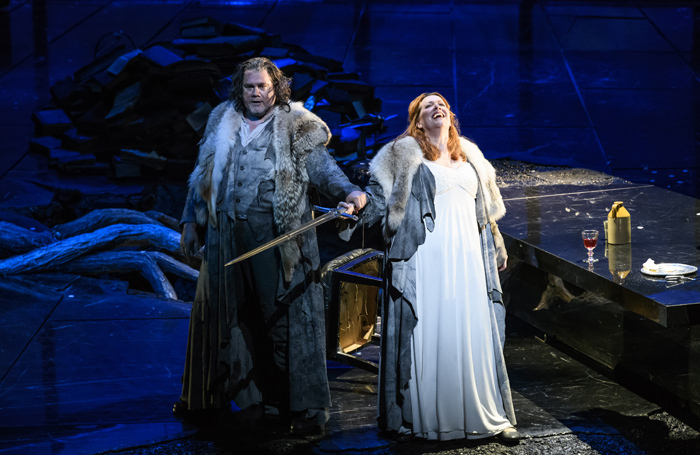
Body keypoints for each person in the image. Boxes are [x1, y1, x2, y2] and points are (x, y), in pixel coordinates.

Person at [175, 57, 367, 436]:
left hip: (277, 241)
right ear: (240, 89)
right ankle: (243, 397)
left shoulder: (296, 126)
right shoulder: (222, 120)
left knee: (282, 321)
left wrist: (350, 192)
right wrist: (189, 222)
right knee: (228, 319)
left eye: (263, 86)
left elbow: (322, 168)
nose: (256, 93)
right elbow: (202, 174)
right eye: (249, 86)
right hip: (226, 237)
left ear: (276, 88)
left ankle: (300, 406)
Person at [363, 92, 519, 442]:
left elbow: (485, 212)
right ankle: (426, 417)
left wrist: (497, 241)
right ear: (417, 120)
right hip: (427, 256)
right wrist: (354, 202)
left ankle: (489, 415)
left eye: (442, 104)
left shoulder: (471, 155)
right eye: (427, 106)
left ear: (450, 116)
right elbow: (376, 197)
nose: (437, 108)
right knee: (430, 329)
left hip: (468, 256)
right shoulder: (403, 154)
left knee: (474, 328)